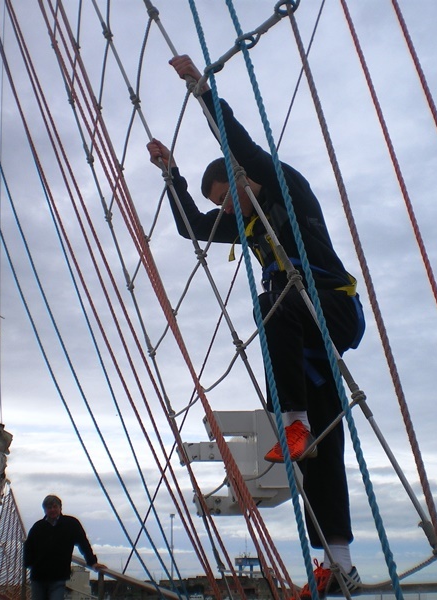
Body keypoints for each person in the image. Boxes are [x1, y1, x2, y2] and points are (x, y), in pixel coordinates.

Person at [146, 55, 364, 598]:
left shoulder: (286, 188)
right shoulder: (245, 225)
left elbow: (239, 142)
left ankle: (292, 422)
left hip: (330, 308)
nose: (224, 210)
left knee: (272, 303)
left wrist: (201, 89)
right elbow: (191, 227)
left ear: (242, 177)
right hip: (297, 338)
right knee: (322, 444)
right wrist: (171, 175)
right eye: (220, 204)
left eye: (225, 196)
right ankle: (337, 560)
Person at [24, 495, 107, 600]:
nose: (52, 510)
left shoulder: (71, 524)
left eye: (55, 507)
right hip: (38, 576)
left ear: (60, 508)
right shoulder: (38, 527)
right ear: (45, 510)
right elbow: (29, 546)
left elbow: (83, 543)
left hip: (58, 576)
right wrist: (29, 564)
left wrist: (92, 562)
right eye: (49, 507)